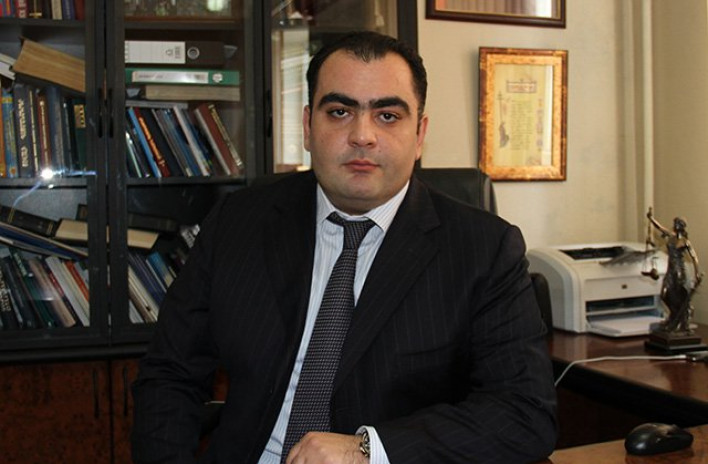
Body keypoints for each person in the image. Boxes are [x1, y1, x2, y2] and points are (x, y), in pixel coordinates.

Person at [131, 31, 557, 464]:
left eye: (387, 115)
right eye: (339, 112)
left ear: (420, 134)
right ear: (307, 127)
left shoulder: (484, 250)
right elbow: (170, 373)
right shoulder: (238, 222)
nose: (362, 136)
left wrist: (369, 450)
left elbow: (524, 413)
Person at [647, 208, 704, 333]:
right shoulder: (671, 236)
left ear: (682, 226)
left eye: (678, 223)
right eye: (675, 223)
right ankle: (673, 315)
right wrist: (651, 219)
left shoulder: (685, 242)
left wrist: (697, 273)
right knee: (664, 294)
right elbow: (660, 228)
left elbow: (694, 257)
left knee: (678, 296)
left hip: (679, 270)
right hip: (670, 268)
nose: (675, 225)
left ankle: (681, 321)